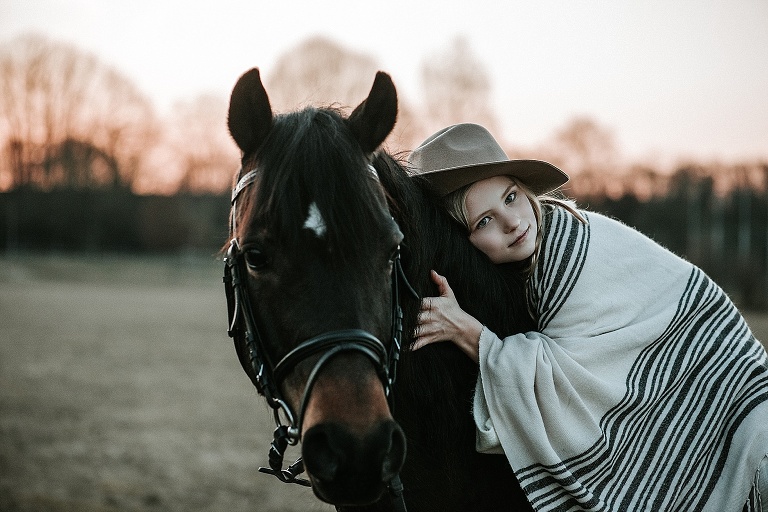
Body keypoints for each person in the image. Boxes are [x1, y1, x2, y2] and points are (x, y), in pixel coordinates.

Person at [408, 122, 768, 511]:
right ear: (463, 244)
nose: (511, 221)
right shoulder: (530, 274)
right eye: (485, 221)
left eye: (511, 198)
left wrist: (469, 333)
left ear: (526, 191)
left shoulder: (572, 246)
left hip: (739, 413)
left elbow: (568, 387)